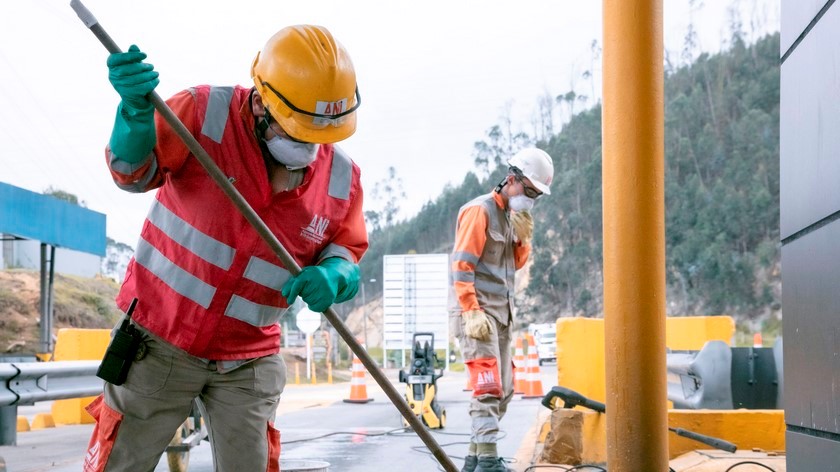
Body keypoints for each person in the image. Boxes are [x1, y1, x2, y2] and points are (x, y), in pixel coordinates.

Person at [83, 25, 368, 472]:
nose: (311, 147)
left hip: (249, 359)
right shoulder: (201, 114)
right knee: (119, 464)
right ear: (260, 101)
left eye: (321, 135)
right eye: (299, 132)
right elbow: (131, 173)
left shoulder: (341, 178)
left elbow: (346, 250)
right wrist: (134, 116)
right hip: (158, 342)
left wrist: (335, 275)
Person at [449, 148, 554, 472]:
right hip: (477, 314)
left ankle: (475, 459)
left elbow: (516, 265)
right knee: (487, 388)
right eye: (530, 190)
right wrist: (471, 310)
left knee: (504, 390)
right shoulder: (479, 212)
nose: (532, 198)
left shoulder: (512, 217)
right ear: (512, 180)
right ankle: (490, 462)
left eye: (537, 194)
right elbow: (462, 266)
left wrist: (523, 240)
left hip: (502, 315)